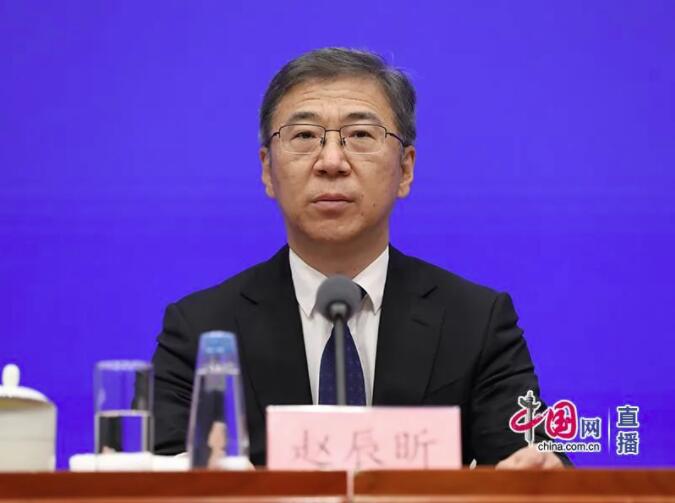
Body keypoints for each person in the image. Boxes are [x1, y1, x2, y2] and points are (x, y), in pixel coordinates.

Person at [152, 47, 566, 469]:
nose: (331, 162)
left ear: (405, 169)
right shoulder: (201, 330)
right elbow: (153, 482)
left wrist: (539, 473)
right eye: (304, 136)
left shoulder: (476, 322)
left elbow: (535, 465)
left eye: (361, 135)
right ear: (267, 170)